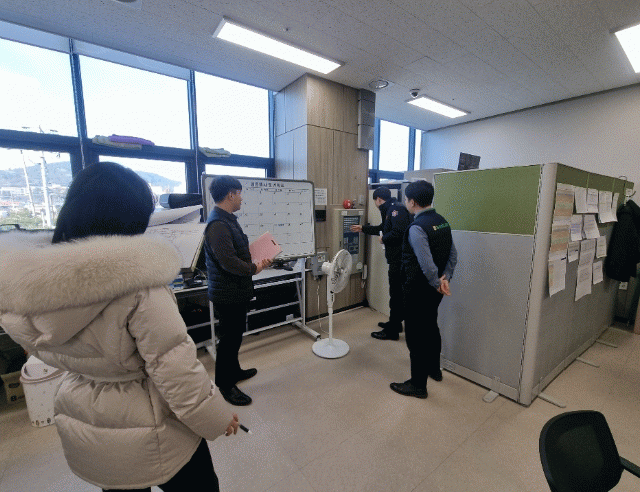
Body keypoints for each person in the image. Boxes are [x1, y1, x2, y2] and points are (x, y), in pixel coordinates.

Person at [0, 162, 238, 492]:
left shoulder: (29, 286)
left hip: (85, 417)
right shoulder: (139, 286)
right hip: (155, 424)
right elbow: (176, 371)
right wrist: (217, 417)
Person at [204, 176, 271, 406]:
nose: (242, 198)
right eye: (239, 193)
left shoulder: (227, 220)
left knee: (235, 336)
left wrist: (258, 258)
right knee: (228, 340)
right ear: (230, 194)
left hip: (236, 290)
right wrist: (254, 268)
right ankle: (225, 384)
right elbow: (229, 262)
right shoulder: (218, 225)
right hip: (227, 293)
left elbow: (237, 251)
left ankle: (234, 371)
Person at [390, 180, 457, 399]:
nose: (405, 203)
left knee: (416, 335)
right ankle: (434, 370)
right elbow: (453, 255)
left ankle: (418, 385)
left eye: (406, 199)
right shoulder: (442, 221)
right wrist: (445, 279)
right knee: (430, 326)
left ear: (412, 202)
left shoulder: (417, 227)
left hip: (418, 290)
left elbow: (426, 264)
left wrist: (437, 282)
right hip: (435, 290)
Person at [350, 186, 411, 340]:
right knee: (396, 294)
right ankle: (395, 323)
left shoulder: (395, 210)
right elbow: (383, 228)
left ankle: (392, 331)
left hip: (400, 260)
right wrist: (363, 228)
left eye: (375, 202)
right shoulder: (390, 209)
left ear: (378, 199)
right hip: (397, 259)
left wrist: (384, 238)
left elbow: (399, 233)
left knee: (396, 295)